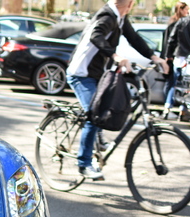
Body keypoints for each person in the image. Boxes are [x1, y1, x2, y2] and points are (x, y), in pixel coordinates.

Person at [66, 0, 168, 180]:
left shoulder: (120, 18)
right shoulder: (107, 17)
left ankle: (97, 139)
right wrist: (115, 56)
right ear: (128, 4)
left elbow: (134, 39)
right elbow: (96, 36)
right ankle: (84, 163)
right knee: (94, 114)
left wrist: (154, 57)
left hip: (96, 73)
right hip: (80, 73)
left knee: (106, 105)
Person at [161, 2, 189, 119]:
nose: (187, 12)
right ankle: (168, 108)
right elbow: (169, 40)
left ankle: (168, 108)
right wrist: (167, 56)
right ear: (180, 10)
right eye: (186, 10)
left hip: (174, 56)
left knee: (173, 83)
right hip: (174, 57)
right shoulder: (177, 24)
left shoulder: (182, 23)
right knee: (172, 83)